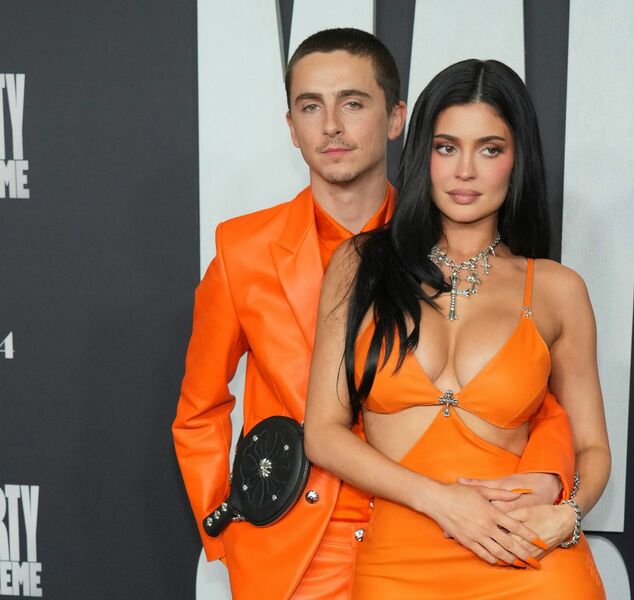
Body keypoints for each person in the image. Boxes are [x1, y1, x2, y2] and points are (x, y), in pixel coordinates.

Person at [174, 28, 578, 600]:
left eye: (353, 103)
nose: (332, 126)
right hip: (297, 555)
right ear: (290, 127)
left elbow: (543, 398)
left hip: (437, 536)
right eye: (310, 107)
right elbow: (199, 411)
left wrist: (550, 480)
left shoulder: (459, 243)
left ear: (396, 120)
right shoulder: (243, 252)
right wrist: (233, 524)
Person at [304, 58, 611, 599]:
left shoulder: (558, 289)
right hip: (400, 566)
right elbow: (322, 434)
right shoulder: (361, 265)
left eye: (490, 149)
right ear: (423, 154)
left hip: (529, 563)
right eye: (447, 147)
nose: (465, 171)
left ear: (517, 162)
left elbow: (592, 449)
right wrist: (443, 501)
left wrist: (568, 514)